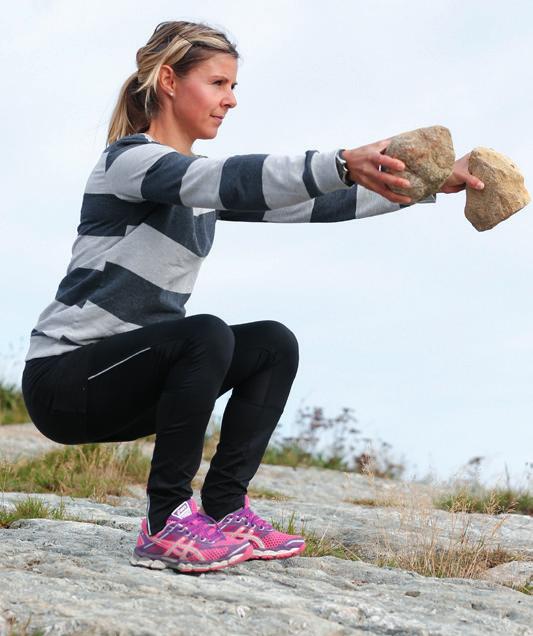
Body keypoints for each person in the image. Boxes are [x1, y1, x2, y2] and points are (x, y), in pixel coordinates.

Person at [21, 20, 484, 574]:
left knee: (271, 344)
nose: (231, 100)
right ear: (169, 81)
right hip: (65, 383)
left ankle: (223, 509)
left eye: (233, 87)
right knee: (206, 332)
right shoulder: (128, 162)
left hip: (131, 382)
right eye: (218, 84)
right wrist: (339, 160)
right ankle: (166, 520)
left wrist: (428, 184)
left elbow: (311, 203)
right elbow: (231, 180)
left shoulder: (198, 187)